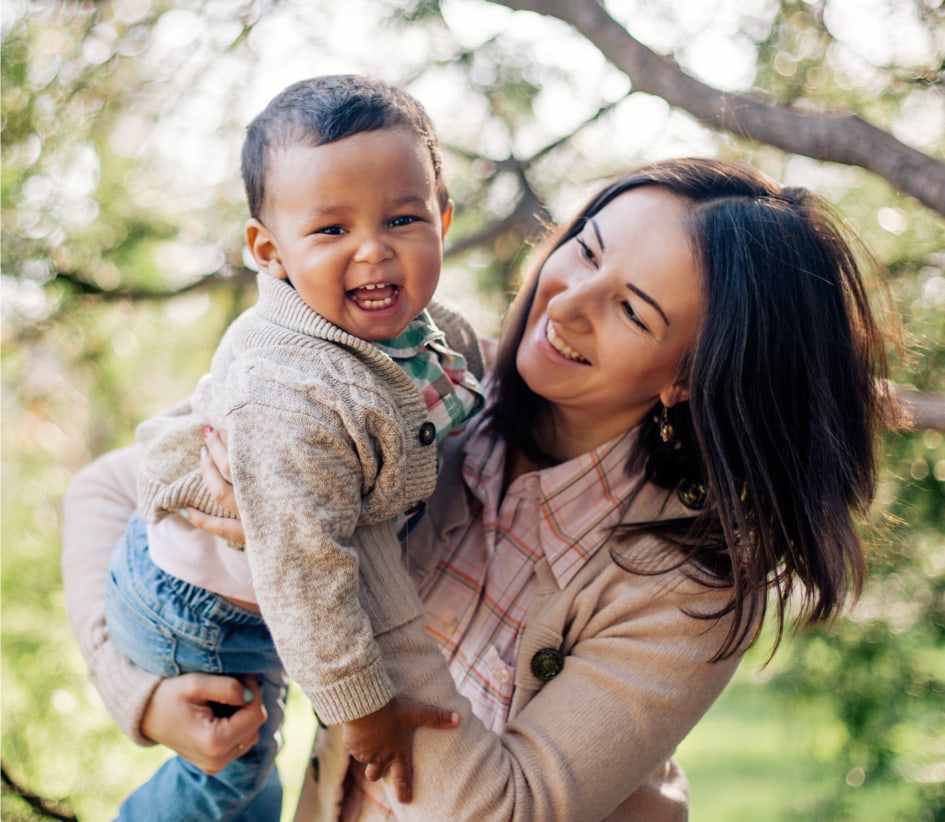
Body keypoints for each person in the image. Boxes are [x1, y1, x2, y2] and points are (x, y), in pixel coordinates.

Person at [63, 157, 891, 819]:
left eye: (633, 312)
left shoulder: (688, 584)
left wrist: (347, 528)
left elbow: (505, 808)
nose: (566, 306)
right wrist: (143, 695)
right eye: (586, 250)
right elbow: (105, 492)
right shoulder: (422, 389)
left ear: (691, 378)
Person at [93, 75, 485, 821]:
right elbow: (306, 575)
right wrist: (364, 711)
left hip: (254, 593)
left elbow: (466, 391)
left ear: (443, 217)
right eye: (332, 230)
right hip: (201, 608)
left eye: (403, 218)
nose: (373, 250)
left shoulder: (437, 333)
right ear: (268, 251)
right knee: (234, 777)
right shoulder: (291, 394)